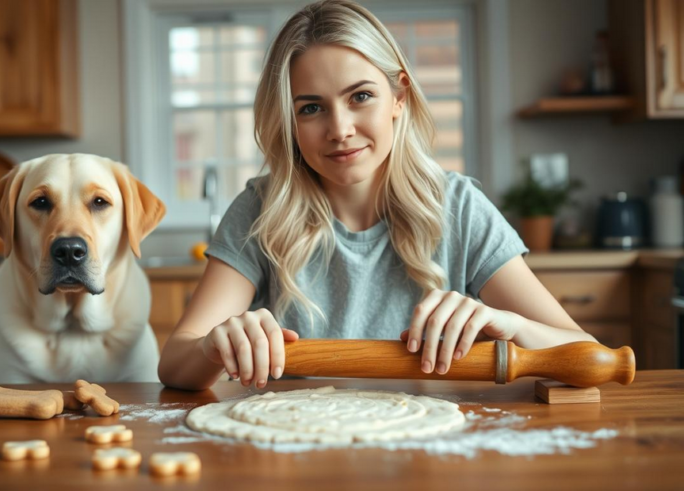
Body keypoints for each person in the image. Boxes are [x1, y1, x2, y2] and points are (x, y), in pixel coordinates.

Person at [158, 0, 596, 391]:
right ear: (289, 122)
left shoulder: (460, 208)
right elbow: (174, 364)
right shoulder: (259, 210)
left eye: (361, 96)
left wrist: (510, 325)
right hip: (297, 447)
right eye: (311, 108)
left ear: (398, 97)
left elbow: (586, 354)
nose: (339, 129)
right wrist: (212, 347)